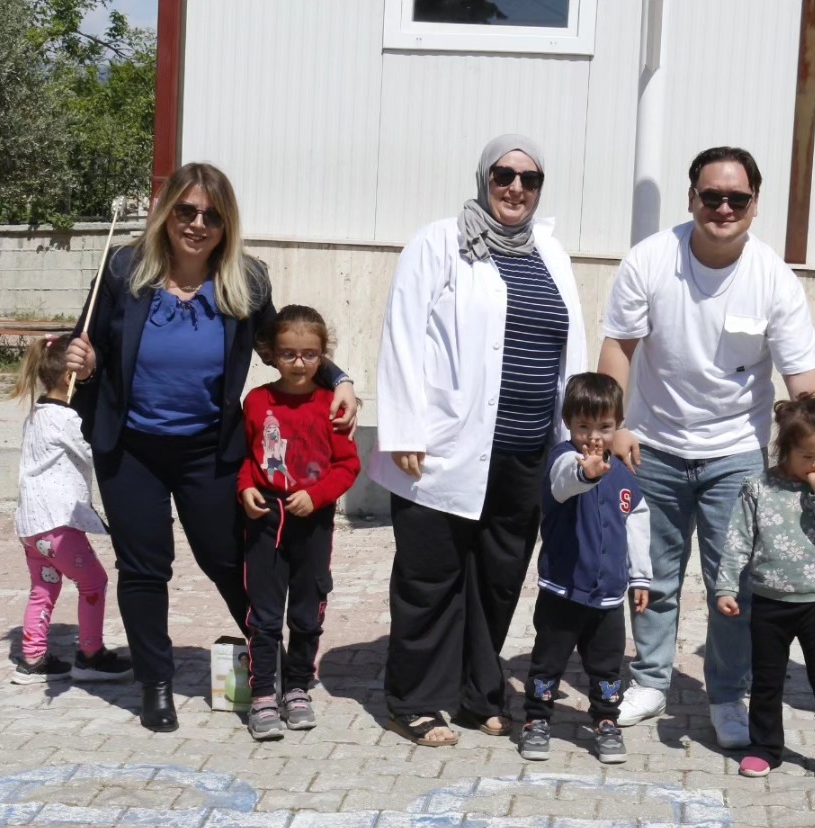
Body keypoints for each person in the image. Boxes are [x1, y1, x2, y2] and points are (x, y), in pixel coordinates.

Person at [65, 162, 358, 733]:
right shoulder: (123, 269)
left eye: (212, 216)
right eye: (186, 211)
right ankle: (155, 683)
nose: (197, 224)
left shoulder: (246, 281)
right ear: (166, 213)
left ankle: (270, 667)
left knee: (229, 560)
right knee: (144, 567)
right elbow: (85, 349)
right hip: (131, 448)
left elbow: (284, 345)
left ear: (227, 225)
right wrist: (85, 362)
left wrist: (338, 378)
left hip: (209, 449)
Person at [599, 146, 815, 749]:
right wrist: (614, 426)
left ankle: (727, 696)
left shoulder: (773, 277)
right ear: (692, 198)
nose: (723, 208)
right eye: (712, 196)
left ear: (755, 204)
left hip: (736, 455)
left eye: (737, 198)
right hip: (653, 447)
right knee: (651, 574)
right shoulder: (651, 260)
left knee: (736, 584)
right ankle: (650, 681)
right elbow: (619, 347)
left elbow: (803, 379)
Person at [373, 134, 587, 747]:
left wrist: (573, 435)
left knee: (498, 577)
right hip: (444, 444)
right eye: (503, 175)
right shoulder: (439, 241)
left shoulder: (550, 253)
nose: (516, 188)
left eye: (529, 179)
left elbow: (569, 348)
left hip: (527, 449)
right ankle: (414, 699)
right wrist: (404, 427)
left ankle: (477, 695)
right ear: (483, 177)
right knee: (430, 575)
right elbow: (403, 333)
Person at [714, 396, 815, 788]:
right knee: (766, 681)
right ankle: (764, 748)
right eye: (808, 456)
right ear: (785, 448)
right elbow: (737, 541)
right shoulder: (758, 487)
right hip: (768, 601)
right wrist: (726, 586)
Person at [238, 305, 361, 741]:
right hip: (266, 523)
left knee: (308, 614)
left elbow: (348, 466)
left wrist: (317, 495)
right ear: (272, 354)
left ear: (323, 355)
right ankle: (262, 695)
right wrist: (245, 488)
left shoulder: (333, 406)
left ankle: (297, 688)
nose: (299, 363)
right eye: (288, 353)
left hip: (313, 524)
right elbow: (247, 457)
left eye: (309, 354)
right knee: (265, 616)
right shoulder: (256, 401)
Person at [518, 373, 651, 765]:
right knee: (548, 659)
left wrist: (640, 577)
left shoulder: (624, 474)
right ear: (568, 424)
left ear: (618, 425)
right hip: (563, 588)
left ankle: (606, 721)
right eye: (583, 427)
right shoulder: (564, 459)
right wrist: (586, 472)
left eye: (605, 427)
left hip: (608, 594)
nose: (594, 437)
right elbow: (564, 483)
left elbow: (637, 523)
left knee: (607, 665)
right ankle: (537, 719)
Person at [10, 334, 131, 685]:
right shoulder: (66, 419)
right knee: (94, 582)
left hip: (32, 527)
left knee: (43, 587)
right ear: (70, 376)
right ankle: (91, 655)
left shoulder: (36, 414)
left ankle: (33, 658)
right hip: (57, 524)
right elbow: (94, 451)